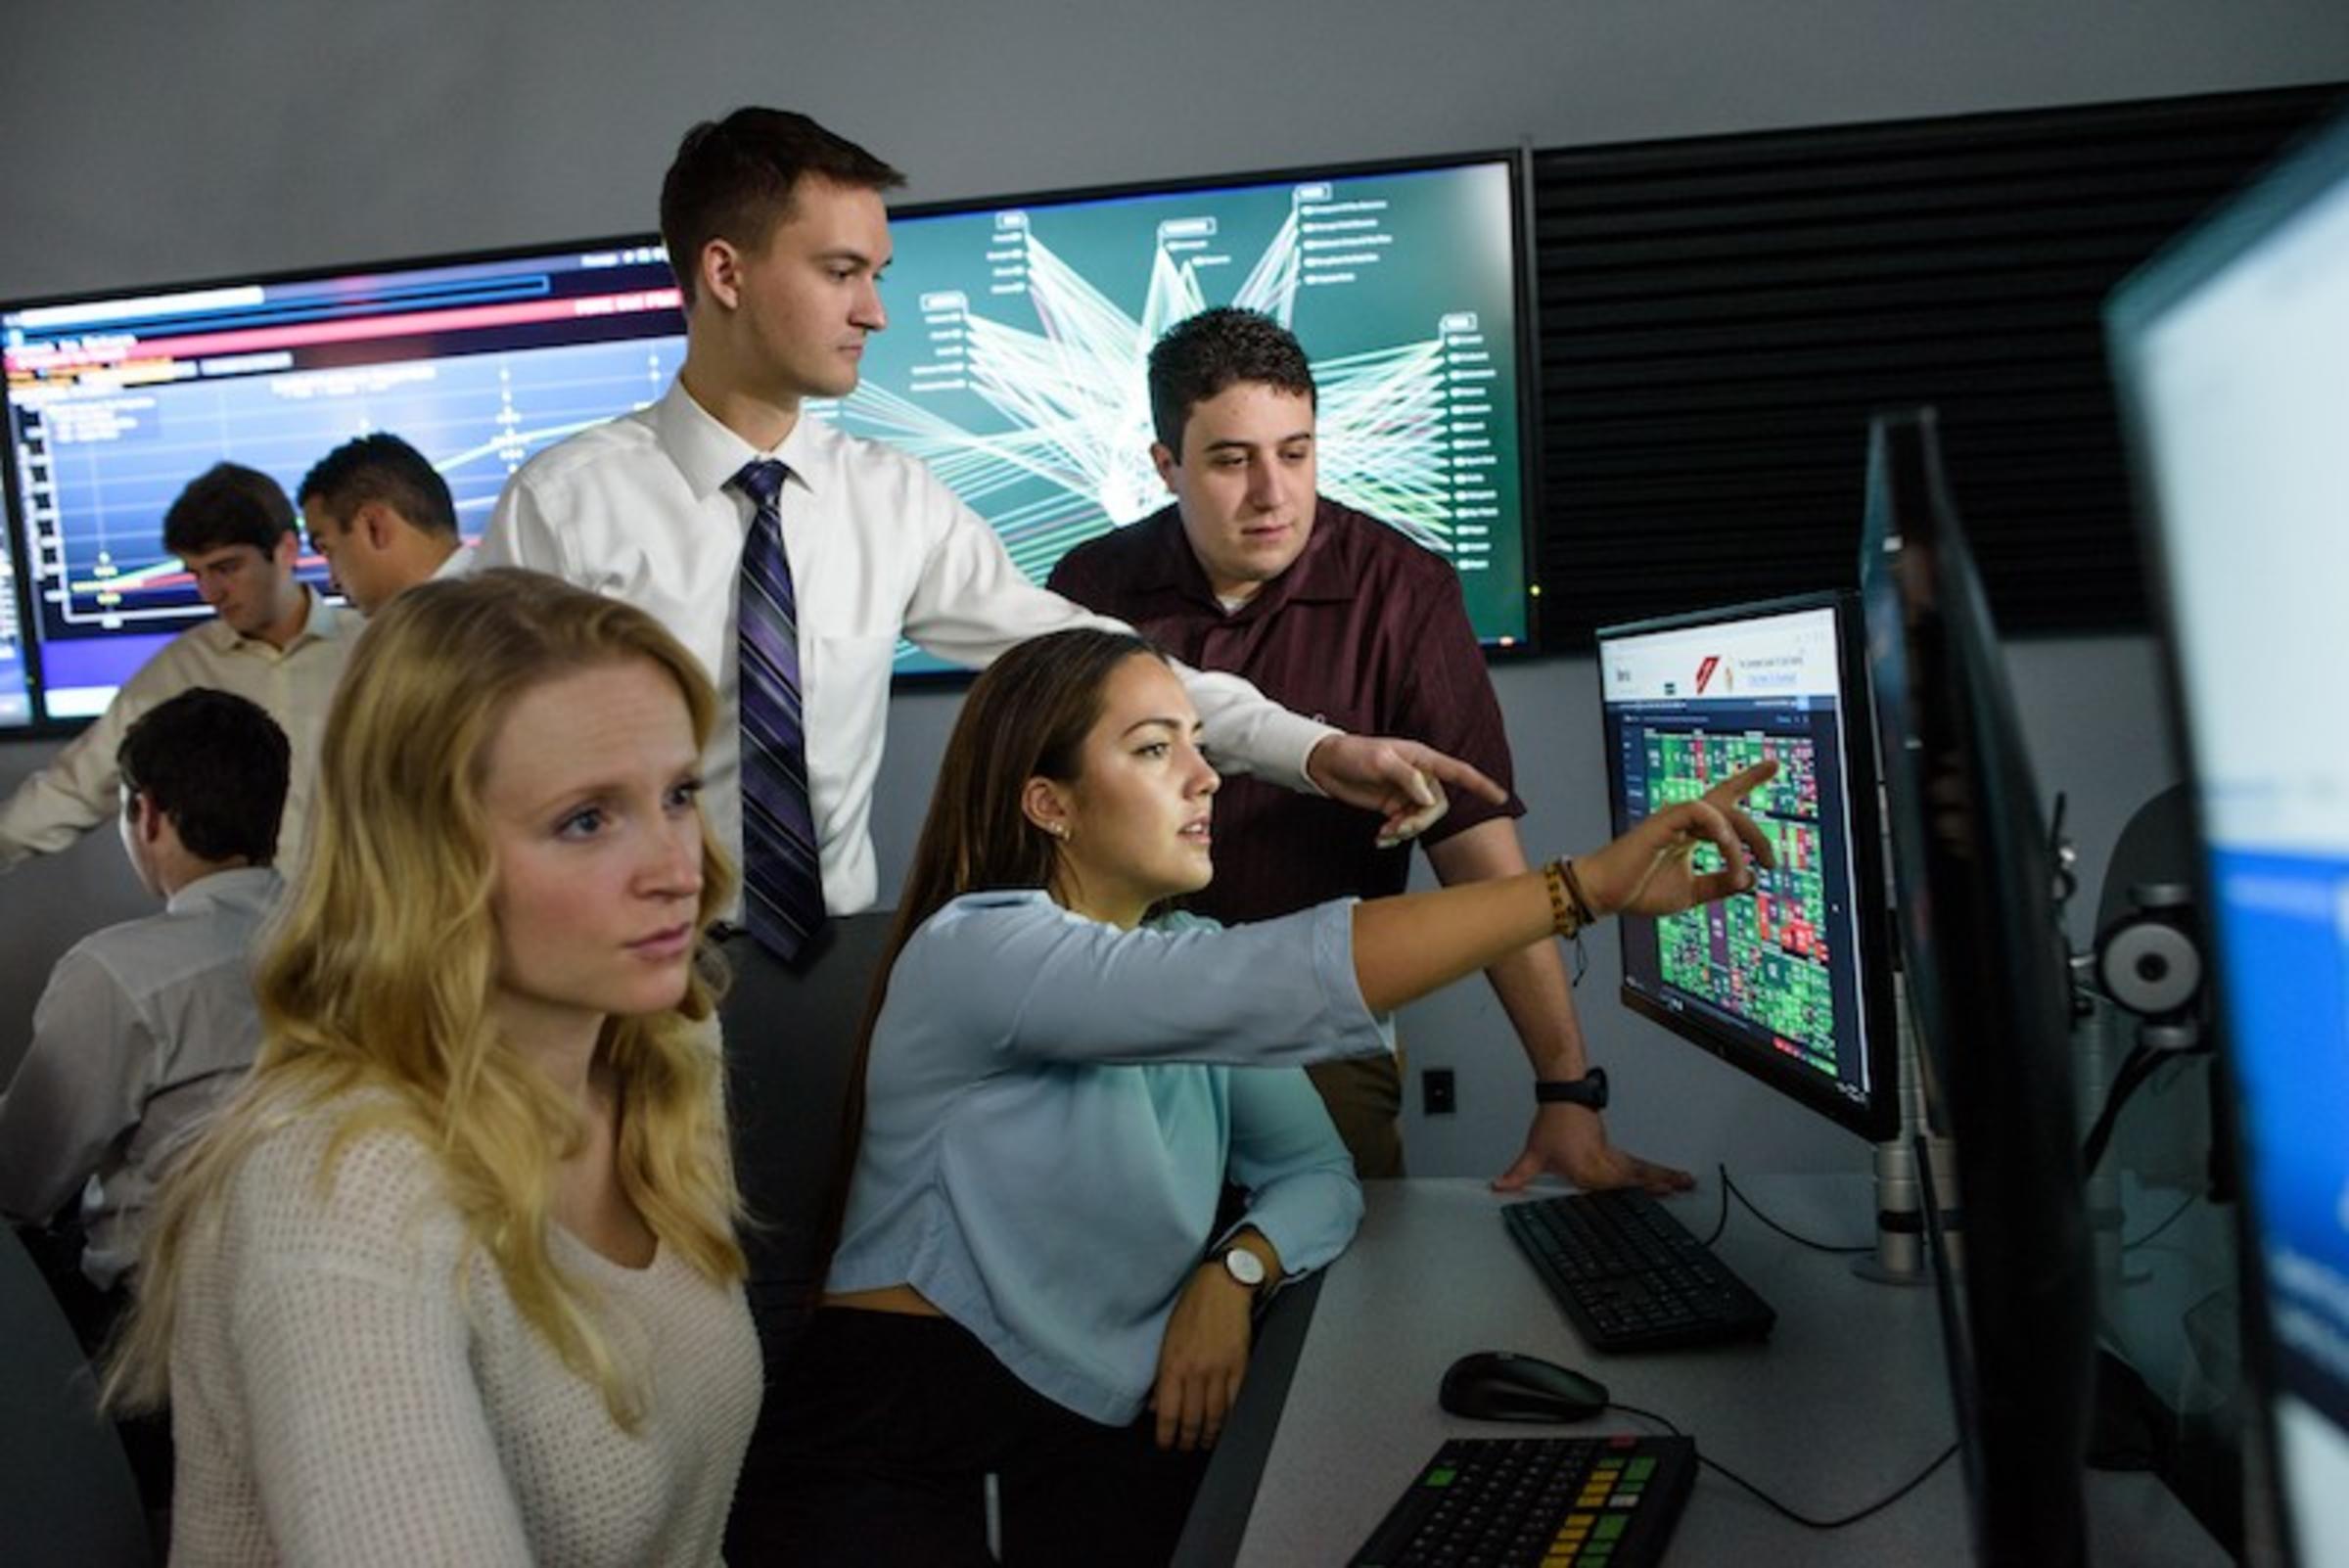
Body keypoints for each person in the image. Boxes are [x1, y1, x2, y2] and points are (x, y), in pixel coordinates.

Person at [477, 106, 1501, 1389]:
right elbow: (435, 764)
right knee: (634, 1350)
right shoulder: (568, 507)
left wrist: (1316, 749)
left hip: (822, 978)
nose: (876, 311)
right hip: (622, 1002)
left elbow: (1092, 658)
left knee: (819, 1353)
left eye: (879, 277)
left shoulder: (887, 502)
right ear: (726, 275)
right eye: (843, 272)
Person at [746, 628, 1775, 1564]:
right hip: (911, 1435)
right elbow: (1262, 984)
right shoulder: (976, 949)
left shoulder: (1182, 960)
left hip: (1086, 1434)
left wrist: (1234, 1270)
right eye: (1155, 750)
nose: (1205, 779)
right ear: (1048, 802)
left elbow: (1317, 1175)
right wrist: (1577, 889)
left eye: (1199, 746)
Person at [106, 571, 759, 1567]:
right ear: (428, 860)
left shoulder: (666, 1055)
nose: (679, 866)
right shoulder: (340, 1182)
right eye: (586, 820)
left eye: (676, 796)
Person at [1051, 307, 1683, 1191]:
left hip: (1317, 1032)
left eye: (1297, 452)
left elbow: (1481, 859)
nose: (1274, 493)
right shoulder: (1089, 588)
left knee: (1340, 1283)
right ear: (1166, 466)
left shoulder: (1404, 593)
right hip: (1125, 1019)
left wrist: (1566, 1088)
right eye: (1233, 460)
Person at [0, 687, 288, 1346]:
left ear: (148, 813)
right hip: (311, 1281)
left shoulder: (121, 974)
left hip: (161, 1323)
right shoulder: (350, 942)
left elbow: (22, 1183)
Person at [0, 461, 353, 872]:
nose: (211, 592)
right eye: (196, 573)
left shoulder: (373, 648)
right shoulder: (178, 672)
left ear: (286, 550)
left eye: (226, 567)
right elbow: (74, 790)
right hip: (246, 927)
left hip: (372, 922)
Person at [296, 432, 474, 615]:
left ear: (374, 527)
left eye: (327, 550)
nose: (333, 581)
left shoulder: (467, 628)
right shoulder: (493, 603)